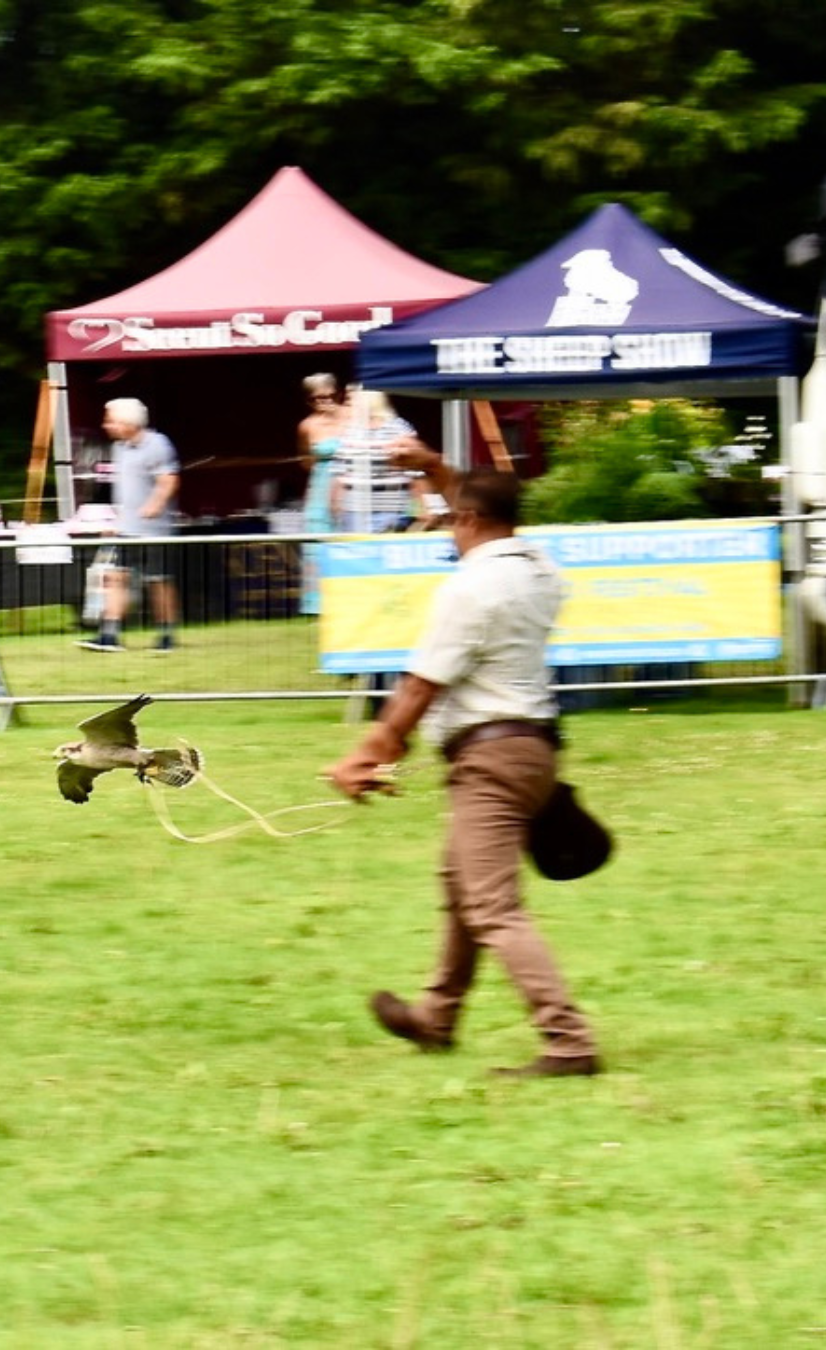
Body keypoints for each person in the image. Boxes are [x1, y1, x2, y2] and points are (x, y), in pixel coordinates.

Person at [329, 468, 601, 1079]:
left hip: (491, 760)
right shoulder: (540, 571)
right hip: (535, 750)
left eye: (451, 519)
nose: (446, 530)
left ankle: (568, 1040)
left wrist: (370, 751)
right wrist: (432, 463)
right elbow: (485, 493)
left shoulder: (472, 587)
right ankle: (436, 1016)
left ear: (469, 520)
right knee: (462, 888)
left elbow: (424, 680)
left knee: (491, 906)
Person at [77, 398, 181, 653]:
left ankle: (166, 635)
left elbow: (168, 481)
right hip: (127, 529)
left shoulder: (157, 444)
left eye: (111, 420)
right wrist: (117, 520)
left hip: (155, 530)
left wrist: (155, 505)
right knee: (115, 578)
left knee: (159, 581)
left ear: (128, 422)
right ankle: (109, 635)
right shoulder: (120, 448)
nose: (107, 425)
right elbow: (125, 490)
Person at [329, 389, 429, 533]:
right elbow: (338, 471)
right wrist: (334, 504)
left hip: (390, 512)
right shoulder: (348, 430)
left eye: (350, 399)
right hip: (353, 512)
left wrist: (423, 505)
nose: (346, 404)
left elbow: (415, 471)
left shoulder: (398, 428)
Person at [296, 373, 347, 614]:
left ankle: (346, 599)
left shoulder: (351, 419)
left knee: (347, 540)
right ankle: (318, 606)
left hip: (349, 483)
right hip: (320, 486)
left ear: (338, 394)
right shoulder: (307, 426)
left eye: (329, 396)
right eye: (318, 399)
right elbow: (306, 460)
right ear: (310, 401)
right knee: (317, 545)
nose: (325, 402)